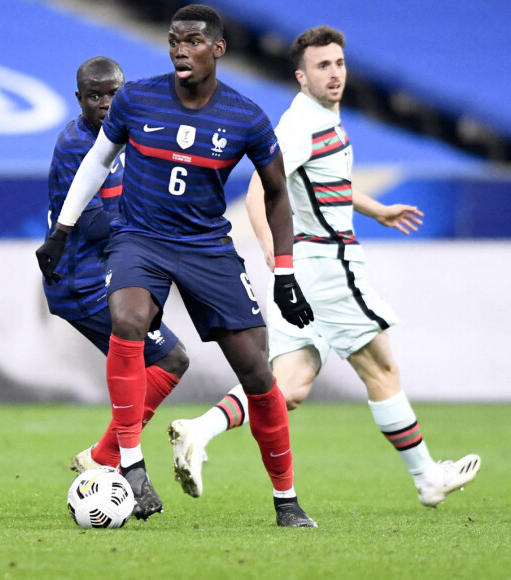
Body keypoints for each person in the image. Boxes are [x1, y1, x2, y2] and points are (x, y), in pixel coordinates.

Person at [168, 25, 481, 508]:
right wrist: (275, 250)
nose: (334, 73)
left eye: (338, 63)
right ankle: (426, 478)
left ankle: (199, 430)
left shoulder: (321, 121)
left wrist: (377, 210)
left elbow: (325, 182)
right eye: (322, 66)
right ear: (301, 76)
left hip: (310, 266)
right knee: (382, 368)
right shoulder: (302, 126)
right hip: (328, 263)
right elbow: (259, 189)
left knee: (289, 385)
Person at [36, 5, 317, 528]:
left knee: (258, 372)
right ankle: (130, 462)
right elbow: (99, 159)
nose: (180, 50)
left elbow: (278, 194)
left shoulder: (246, 117)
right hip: (139, 238)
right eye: (173, 41)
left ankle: (287, 500)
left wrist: (284, 272)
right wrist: (62, 229)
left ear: (218, 49)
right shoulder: (138, 97)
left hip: (206, 247)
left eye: (192, 41)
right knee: (128, 321)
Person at [41, 56, 190, 483]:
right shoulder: (76, 144)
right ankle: (109, 458)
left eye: (113, 94)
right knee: (169, 360)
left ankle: (104, 456)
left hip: (109, 276)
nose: (106, 103)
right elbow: (89, 224)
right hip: (81, 282)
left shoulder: (127, 133)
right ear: (79, 99)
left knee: (166, 362)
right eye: (94, 96)